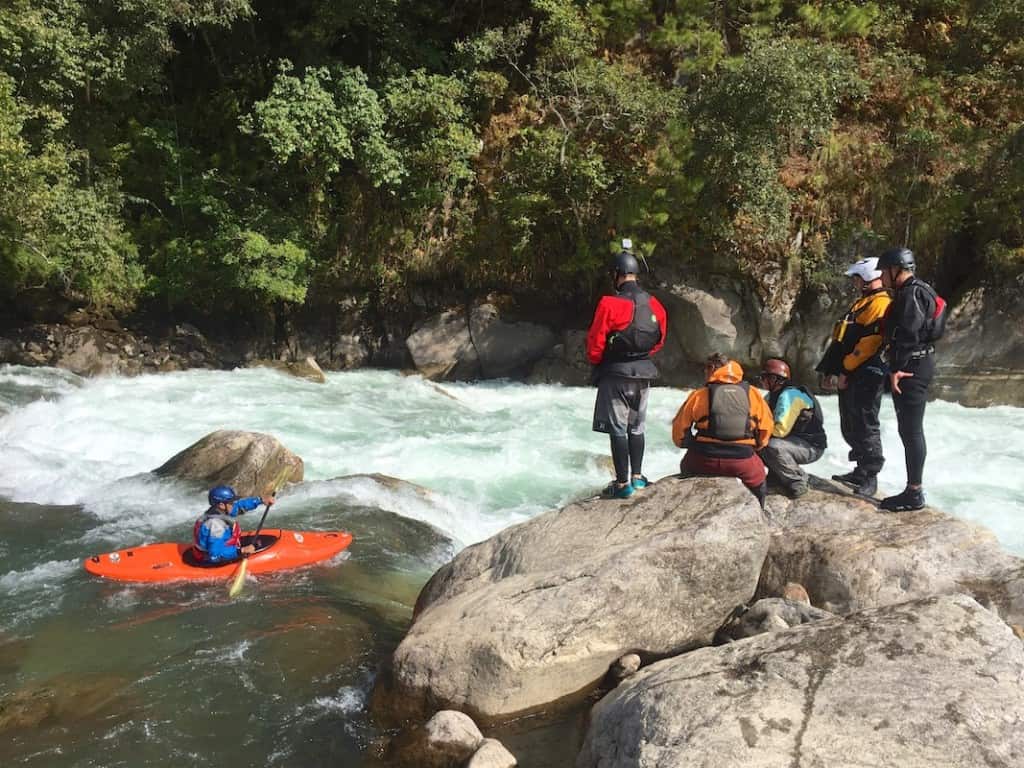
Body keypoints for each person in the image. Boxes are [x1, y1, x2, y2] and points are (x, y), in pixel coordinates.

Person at [587, 239, 668, 499]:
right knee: (637, 427)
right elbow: (659, 340)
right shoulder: (656, 305)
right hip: (644, 373)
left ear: (617, 275)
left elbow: (595, 343)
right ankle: (638, 477)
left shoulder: (609, 304)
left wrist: (599, 362)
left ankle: (622, 484)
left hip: (616, 373)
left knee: (618, 428)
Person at [815, 257, 892, 496]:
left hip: (866, 374)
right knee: (850, 422)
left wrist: (845, 371)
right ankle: (860, 469)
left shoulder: (880, 304)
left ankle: (870, 475)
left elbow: (869, 344)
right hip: (852, 373)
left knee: (865, 423)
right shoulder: (864, 303)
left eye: (857, 278)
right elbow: (843, 340)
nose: (855, 282)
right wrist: (833, 371)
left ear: (869, 277)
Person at [876, 246, 941, 512]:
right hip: (917, 364)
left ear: (896, 270)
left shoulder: (911, 293)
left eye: (884, 271)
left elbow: (909, 334)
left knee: (912, 430)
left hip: (911, 368)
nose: (881, 277)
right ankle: (913, 489)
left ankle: (914, 492)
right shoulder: (917, 290)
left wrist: (897, 369)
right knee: (909, 430)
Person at [671, 353, 774, 508]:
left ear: (712, 368)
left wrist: (687, 444)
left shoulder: (699, 394)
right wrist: (756, 447)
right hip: (742, 461)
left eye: (706, 369)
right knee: (759, 479)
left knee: (685, 467)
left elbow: (679, 430)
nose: (705, 373)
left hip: (702, 459)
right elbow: (766, 429)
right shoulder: (753, 394)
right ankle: (760, 512)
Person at [758, 358, 827, 498]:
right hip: (794, 442)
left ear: (775, 379)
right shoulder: (771, 396)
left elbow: (780, 430)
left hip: (811, 447)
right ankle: (777, 475)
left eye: (765, 377)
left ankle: (798, 480)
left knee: (771, 445)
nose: (761, 380)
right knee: (758, 442)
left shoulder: (789, 396)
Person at [193, 484, 274, 563]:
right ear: (222, 505)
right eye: (231, 502)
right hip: (213, 558)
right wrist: (241, 551)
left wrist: (260, 500)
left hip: (222, 546)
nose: (234, 504)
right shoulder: (216, 526)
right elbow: (214, 556)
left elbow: (240, 506)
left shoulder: (219, 510)